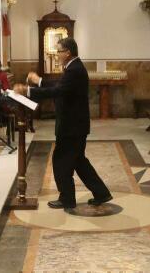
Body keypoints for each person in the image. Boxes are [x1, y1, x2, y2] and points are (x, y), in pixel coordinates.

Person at [13, 37, 111, 210]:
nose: (56, 54)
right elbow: (61, 85)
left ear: (68, 52)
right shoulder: (74, 67)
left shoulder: (75, 70)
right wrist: (39, 81)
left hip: (72, 127)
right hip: (75, 125)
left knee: (61, 161)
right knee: (78, 161)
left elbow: (58, 90)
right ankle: (101, 193)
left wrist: (28, 90)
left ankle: (67, 198)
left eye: (58, 51)